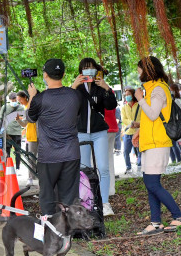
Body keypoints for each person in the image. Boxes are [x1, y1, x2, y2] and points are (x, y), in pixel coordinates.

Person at [132, 56, 181, 235]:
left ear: (148, 71)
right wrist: (140, 131)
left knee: (152, 184)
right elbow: (151, 119)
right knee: (150, 184)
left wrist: (140, 98)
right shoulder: (153, 88)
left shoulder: (158, 89)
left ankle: (179, 217)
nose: (138, 73)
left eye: (140, 70)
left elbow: (153, 114)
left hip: (158, 143)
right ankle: (155, 222)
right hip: (151, 142)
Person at [26, 59, 81, 216]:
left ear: (45, 75)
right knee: (70, 196)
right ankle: (68, 228)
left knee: (47, 195)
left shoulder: (39, 99)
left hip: (48, 155)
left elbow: (30, 118)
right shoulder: (75, 95)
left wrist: (32, 96)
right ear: (63, 74)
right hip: (71, 153)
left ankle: (50, 226)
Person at [72, 58, 118, 216]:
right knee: (84, 169)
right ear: (80, 72)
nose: (88, 71)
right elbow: (68, 105)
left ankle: (105, 203)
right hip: (81, 132)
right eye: (85, 68)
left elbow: (111, 105)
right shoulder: (77, 89)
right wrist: (73, 86)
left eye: (91, 67)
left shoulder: (100, 87)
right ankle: (87, 203)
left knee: (103, 167)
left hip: (99, 132)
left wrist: (106, 88)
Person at [14, 91, 37, 186]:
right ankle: (30, 178)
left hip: (41, 136)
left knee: (41, 158)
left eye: (20, 99)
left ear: (25, 97)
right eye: (18, 100)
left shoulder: (33, 106)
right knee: (31, 158)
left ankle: (40, 177)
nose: (19, 101)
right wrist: (18, 119)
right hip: (31, 136)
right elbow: (24, 124)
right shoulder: (25, 109)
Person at [0, 92, 25, 170]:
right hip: (7, 133)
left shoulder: (21, 108)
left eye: (15, 100)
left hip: (17, 132)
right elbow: (1, 118)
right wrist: (0, 130)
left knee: (18, 151)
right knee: (7, 151)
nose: (14, 102)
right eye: (12, 100)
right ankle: (8, 167)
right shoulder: (5, 107)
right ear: (9, 100)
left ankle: (17, 168)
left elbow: (24, 118)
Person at [121, 88, 141, 173]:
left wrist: (138, 124)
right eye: (126, 95)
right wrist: (132, 123)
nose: (127, 96)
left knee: (140, 151)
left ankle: (140, 166)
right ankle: (128, 167)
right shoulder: (124, 107)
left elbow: (144, 118)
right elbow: (124, 119)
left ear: (133, 95)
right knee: (126, 151)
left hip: (138, 132)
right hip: (128, 132)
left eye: (128, 94)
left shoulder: (140, 105)